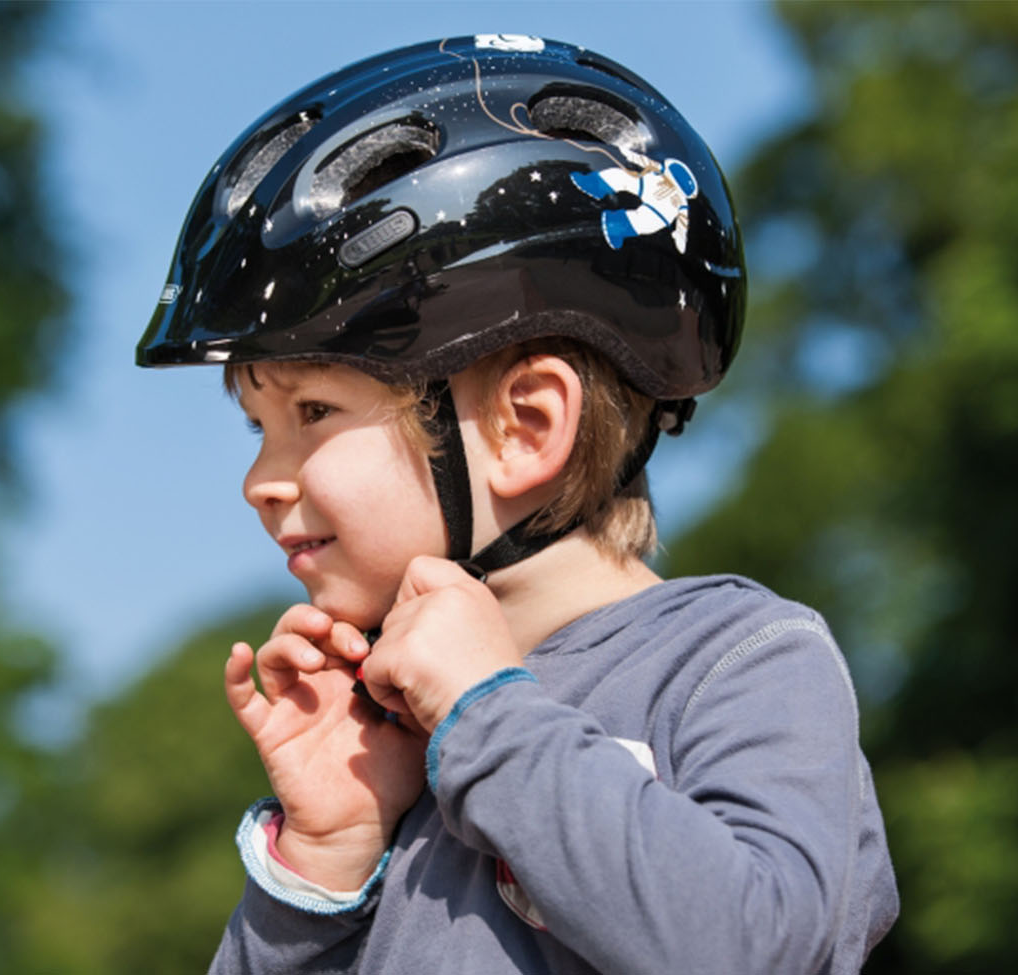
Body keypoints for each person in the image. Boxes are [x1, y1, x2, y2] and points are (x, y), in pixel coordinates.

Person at [135, 34, 899, 974]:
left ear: (525, 426)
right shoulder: (391, 734)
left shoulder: (737, 662)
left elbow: (764, 948)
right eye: (259, 427)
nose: (262, 480)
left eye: (313, 411)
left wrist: (490, 709)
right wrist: (324, 862)